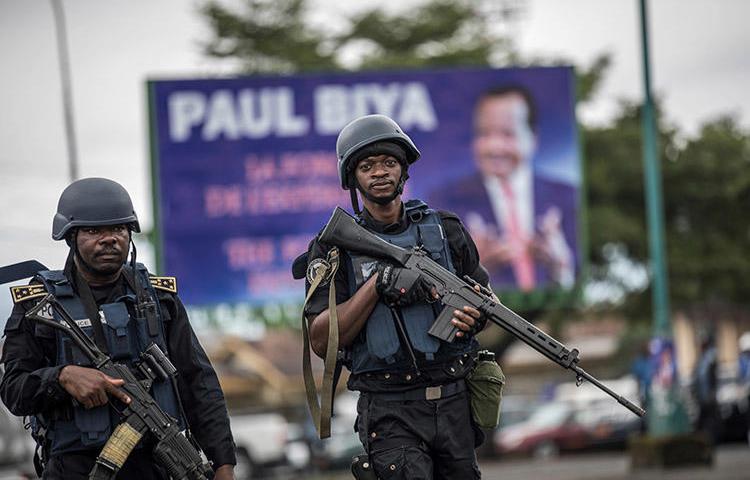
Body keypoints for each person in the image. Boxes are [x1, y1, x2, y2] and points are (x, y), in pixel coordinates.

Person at [0, 178, 236, 480]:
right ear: (70, 237)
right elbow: (13, 390)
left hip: (156, 467)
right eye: (93, 231)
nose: (109, 239)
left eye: (118, 229)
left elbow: (199, 384)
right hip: (75, 468)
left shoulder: (159, 300)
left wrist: (224, 463)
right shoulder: (40, 304)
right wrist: (62, 377)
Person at [301, 114, 494, 480]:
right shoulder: (333, 249)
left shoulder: (446, 230)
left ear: (404, 172)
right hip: (389, 411)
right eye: (367, 166)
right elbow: (321, 339)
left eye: (389, 163)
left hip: (454, 400)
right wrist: (377, 284)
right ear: (352, 179)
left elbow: (484, 296)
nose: (379, 172)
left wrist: (476, 317)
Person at [430, 85, 577, 291]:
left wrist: (561, 269)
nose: (494, 147)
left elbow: (580, 282)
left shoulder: (568, 198)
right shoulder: (442, 202)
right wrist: (470, 270)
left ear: (533, 138)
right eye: (484, 133)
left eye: (508, 134)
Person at [692, 334, 720, 443]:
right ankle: (704, 441)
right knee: (703, 421)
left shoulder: (710, 357)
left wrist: (712, 392)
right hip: (702, 397)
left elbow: (712, 376)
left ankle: (711, 440)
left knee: (710, 420)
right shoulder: (702, 359)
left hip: (709, 396)